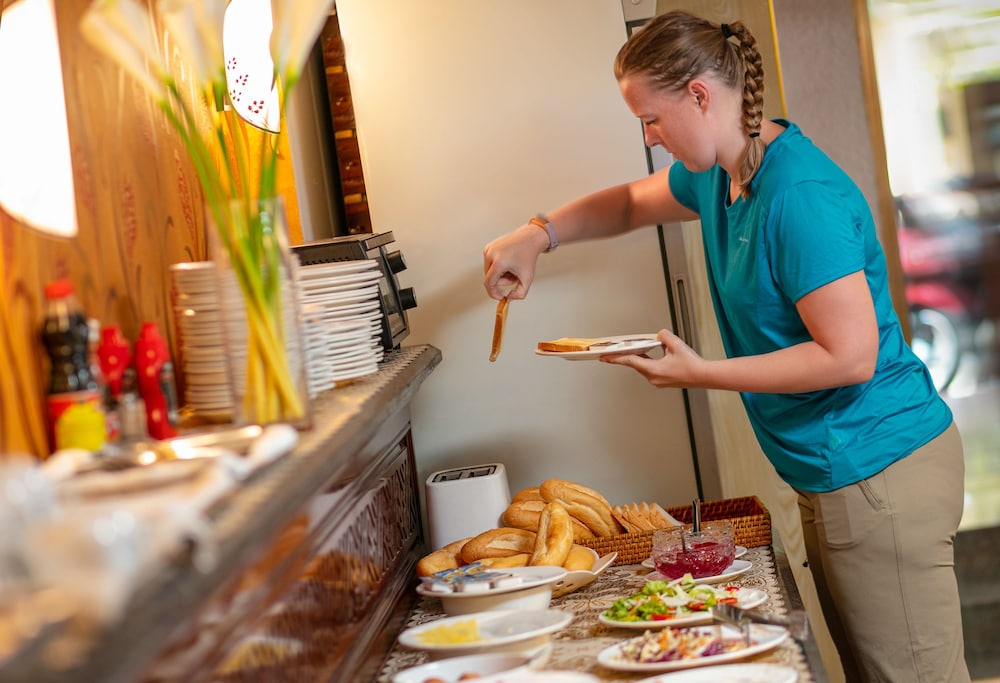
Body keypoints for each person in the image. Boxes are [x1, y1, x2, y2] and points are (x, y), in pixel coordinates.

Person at [482, 10, 969, 683]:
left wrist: (702, 372)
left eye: (651, 119)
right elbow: (630, 204)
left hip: (881, 468)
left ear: (699, 95)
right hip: (839, 471)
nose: (649, 138)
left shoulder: (799, 196)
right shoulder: (722, 174)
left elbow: (850, 356)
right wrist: (536, 234)